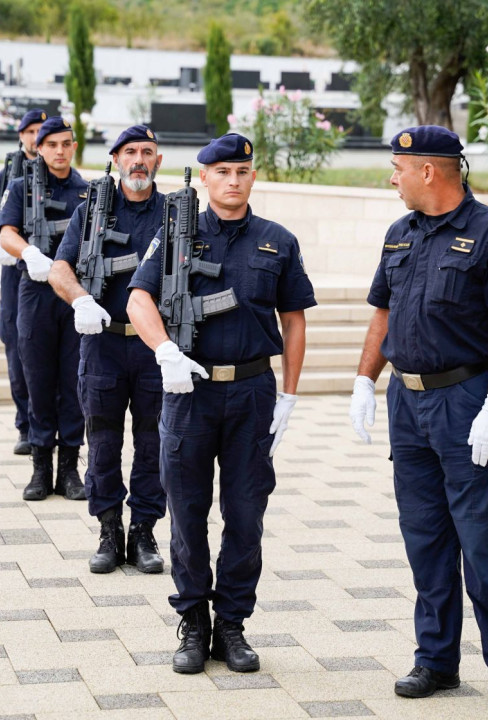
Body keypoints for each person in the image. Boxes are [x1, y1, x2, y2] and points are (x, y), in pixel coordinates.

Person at [348, 126, 488, 708]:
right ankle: (436, 661)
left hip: (466, 402)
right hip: (408, 403)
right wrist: (363, 381)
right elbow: (383, 313)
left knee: (481, 542)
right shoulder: (399, 235)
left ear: (429, 170)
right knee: (424, 539)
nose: (393, 177)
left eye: (399, 167)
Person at [127, 133, 315, 675]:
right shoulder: (173, 235)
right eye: (223, 172)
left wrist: (290, 394)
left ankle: (232, 624)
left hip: (253, 391)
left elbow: (295, 319)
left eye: (242, 172)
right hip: (190, 392)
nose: (233, 181)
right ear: (204, 178)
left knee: (246, 514)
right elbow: (140, 298)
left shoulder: (278, 241)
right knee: (186, 513)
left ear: (253, 177)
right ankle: (193, 623)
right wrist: (164, 350)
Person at [49, 125, 167, 575]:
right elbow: (61, 267)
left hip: (156, 349)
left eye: (147, 152)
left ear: (158, 160)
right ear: (116, 158)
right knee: (101, 443)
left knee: (154, 444)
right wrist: (79, 298)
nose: (139, 159)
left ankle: (144, 532)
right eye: (131, 152)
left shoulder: (178, 213)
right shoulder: (93, 210)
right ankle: (109, 529)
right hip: (103, 346)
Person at [0, 116, 89, 501]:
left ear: (73, 147)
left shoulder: (89, 191)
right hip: (34, 292)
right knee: (37, 380)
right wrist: (29, 252)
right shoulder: (21, 186)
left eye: (66, 144)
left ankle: (69, 469)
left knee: (73, 382)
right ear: (38, 146)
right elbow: (6, 232)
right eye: (52, 144)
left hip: (73, 294)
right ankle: (40, 467)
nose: (59, 151)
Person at [0, 109, 46, 456]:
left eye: (40, 131)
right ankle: (26, 426)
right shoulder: (9, 175)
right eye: (30, 131)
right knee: (17, 350)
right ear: (21, 136)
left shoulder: (64, 178)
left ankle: (53, 429)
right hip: (16, 276)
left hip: (50, 277)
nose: (35, 137)